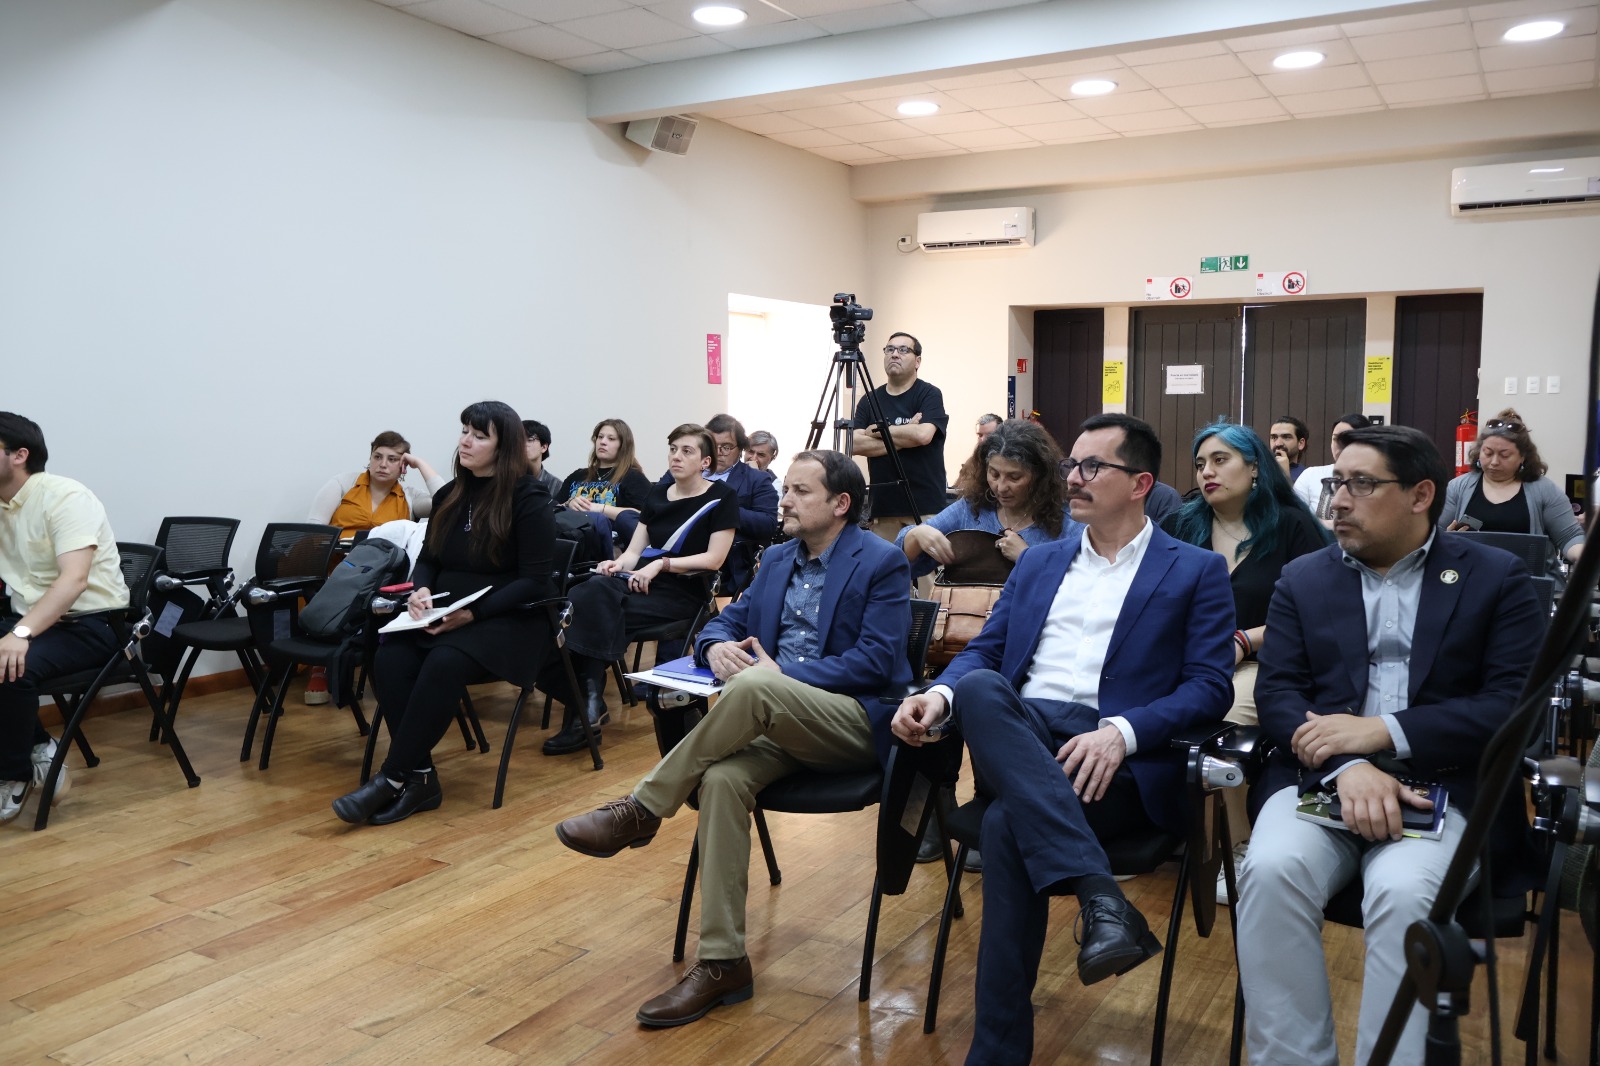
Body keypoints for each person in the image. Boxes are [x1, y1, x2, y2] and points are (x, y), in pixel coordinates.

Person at [891, 413, 1234, 1066]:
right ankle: (1101, 895)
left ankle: (997, 1055)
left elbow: (1210, 687)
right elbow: (986, 653)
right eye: (1072, 464)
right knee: (979, 688)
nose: (1073, 477)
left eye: (1092, 467)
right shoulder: (1041, 563)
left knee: (1004, 828)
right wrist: (938, 696)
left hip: (1112, 764)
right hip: (1021, 735)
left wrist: (1121, 734)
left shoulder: (1195, 570)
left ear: (1140, 484)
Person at [553, 450, 911, 1027]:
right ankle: (723, 963)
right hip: (773, 720)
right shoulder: (777, 558)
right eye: (785, 489)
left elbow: (877, 660)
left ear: (841, 504)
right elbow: (726, 620)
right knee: (721, 778)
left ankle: (643, 809)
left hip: (850, 724)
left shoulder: (881, 560)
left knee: (754, 687)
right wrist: (713, 646)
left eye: (799, 491)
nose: (784, 500)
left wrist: (780, 676)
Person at [1237, 424, 1542, 1066]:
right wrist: (1350, 764)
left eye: (1362, 484)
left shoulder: (1495, 578)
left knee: (1404, 895)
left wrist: (1384, 731)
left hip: (1445, 786)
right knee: (1268, 871)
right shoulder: (1304, 578)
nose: (1339, 500)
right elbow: (1280, 694)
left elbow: (1513, 706)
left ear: (1420, 495)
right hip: (1321, 779)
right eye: (1336, 483)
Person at [331, 401, 556, 827]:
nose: (465, 441)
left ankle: (392, 777)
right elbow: (430, 558)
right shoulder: (453, 494)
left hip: (508, 617)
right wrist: (420, 589)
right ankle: (420, 778)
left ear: (504, 446)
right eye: (464, 430)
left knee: (444, 661)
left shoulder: (529, 499)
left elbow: (535, 580)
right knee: (390, 656)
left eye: (479, 435)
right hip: (445, 609)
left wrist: (474, 612)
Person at [1161, 421, 1328, 899]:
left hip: (1264, 664)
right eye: (1200, 464)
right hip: (1187, 661)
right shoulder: (1181, 525)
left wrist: (1243, 642)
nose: (1207, 473)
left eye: (1220, 460)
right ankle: (1154, 826)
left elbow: (1314, 615)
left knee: (1224, 715)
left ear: (1255, 468)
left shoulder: (1291, 527)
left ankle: (1235, 847)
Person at [541, 425, 737, 756]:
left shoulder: (721, 497)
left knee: (587, 609)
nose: (676, 456)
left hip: (684, 592)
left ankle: (585, 711)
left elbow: (714, 559)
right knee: (587, 593)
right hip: (639, 584)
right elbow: (633, 552)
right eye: (673, 449)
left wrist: (662, 565)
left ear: (705, 462)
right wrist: (615, 564)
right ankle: (588, 703)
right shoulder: (659, 493)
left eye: (686, 451)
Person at [0, 413, 131, 822]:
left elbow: (74, 580)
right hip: (35, 619)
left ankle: (13, 775)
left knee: (11, 667)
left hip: (92, 624)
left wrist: (21, 633)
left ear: (19, 455)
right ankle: (39, 747)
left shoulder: (65, 497)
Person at [306, 432, 446, 704]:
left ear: (403, 466)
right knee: (318, 587)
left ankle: (370, 662)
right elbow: (313, 529)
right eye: (377, 457)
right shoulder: (343, 483)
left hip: (381, 577)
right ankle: (319, 666)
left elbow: (447, 501)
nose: (383, 464)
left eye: (393, 459)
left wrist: (420, 464)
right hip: (338, 567)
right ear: (369, 458)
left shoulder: (410, 496)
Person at [898, 420, 1078, 582]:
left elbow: (1080, 589)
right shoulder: (972, 508)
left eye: (1014, 477)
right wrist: (915, 535)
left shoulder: (1067, 522)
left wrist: (1026, 557)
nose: (1001, 487)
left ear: (1040, 476)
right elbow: (899, 564)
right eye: (994, 474)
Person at [1439, 408, 1584, 565]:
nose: (1494, 462)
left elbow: (1570, 537)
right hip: (1470, 575)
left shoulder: (1545, 491)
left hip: (1526, 577)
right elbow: (1434, 534)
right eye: (1488, 453)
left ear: (1522, 457)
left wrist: (1584, 555)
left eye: (1505, 455)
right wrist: (1445, 540)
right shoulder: (1458, 487)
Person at [850, 332, 949, 559]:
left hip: (924, 506)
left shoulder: (929, 394)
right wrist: (907, 434)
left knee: (926, 576)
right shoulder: (869, 400)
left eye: (903, 350)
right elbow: (854, 443)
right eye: (890, 349)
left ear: (917, 361)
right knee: (885, 573)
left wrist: (876, 430)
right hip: (883, 506)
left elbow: (923, 435)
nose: (895, 354)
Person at [655, 414, 778, 593]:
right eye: (713, 445)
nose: (718, 452)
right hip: (672, 541)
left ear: (740, 448)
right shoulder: (684, 468)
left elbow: (767, 524)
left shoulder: (756, 479)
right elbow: (654, 501)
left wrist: (722, 508)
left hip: (720, 558)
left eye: (726, 447)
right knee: (629, 519)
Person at [558, 418, 653, 556]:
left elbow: (642, 516)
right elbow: (552, 509)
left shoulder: (633, 477)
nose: (603, 442)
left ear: (623, 445)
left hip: (612, 549)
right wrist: (569, 503)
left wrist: (600, 508)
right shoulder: (577, 475)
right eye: (600, 437)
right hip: (572, 541)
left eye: (611, 439)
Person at [1293, 411, 1372, 524]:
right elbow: (1295, 518)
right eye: (1335, 439)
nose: (1339, 445)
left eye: (1347, 439)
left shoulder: (1375, 480)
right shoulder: (1310, 475)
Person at [522, 419, 562, 498]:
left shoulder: (556, 485)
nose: (522, 444)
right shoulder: (507, 480)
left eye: (529, 440)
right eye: (519, 440)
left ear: (544, 447)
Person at [1268, 415, 1308, 484]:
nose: (1278, 443)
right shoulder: (1259, 471)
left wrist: (1285, 475)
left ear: (1301, 443)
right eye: (1274, 437)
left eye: (1286, 437)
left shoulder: (1308, 476)